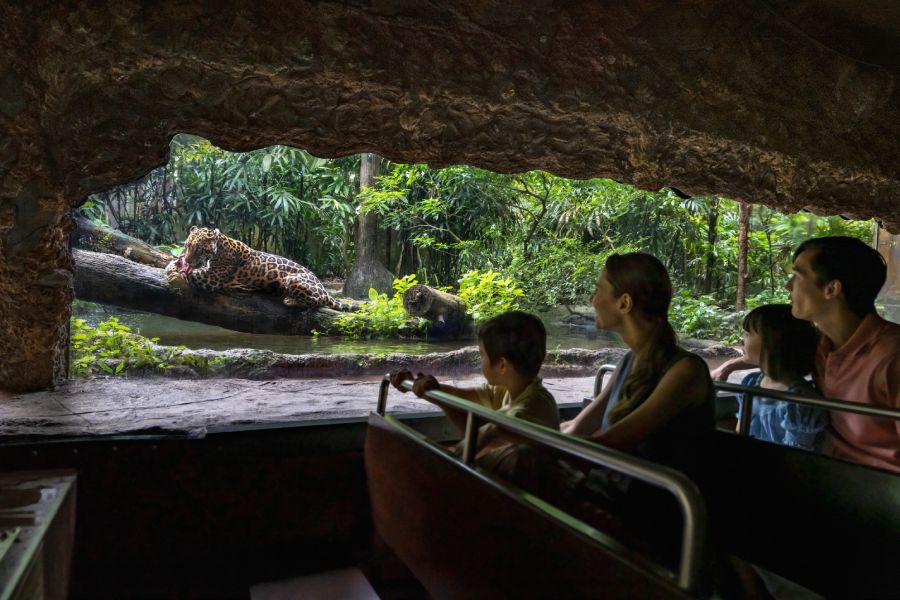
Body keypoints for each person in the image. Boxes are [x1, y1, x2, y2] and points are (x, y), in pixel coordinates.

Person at [714, 236, 900, 472]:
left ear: (831, 289)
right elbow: (773, 350)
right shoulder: (821, 345)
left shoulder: (892, 357)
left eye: (798, 276)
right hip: (828, 473)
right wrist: (731, 365)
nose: (788, 285)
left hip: (878, 489)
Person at [561, 252, 715, 483]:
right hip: (612, 493)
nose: (592, 299)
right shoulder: (629, 361)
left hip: (649, 508)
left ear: (624, 303)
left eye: (598, 290)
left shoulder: (686, 371)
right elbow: (578, 426)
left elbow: (613, 442)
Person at [390, 310, 559, 462]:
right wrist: (417, 385)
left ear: (502, 365)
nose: (481, 361)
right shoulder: (507, 389)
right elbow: (459, 399)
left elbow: (478, 443)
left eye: (482, 355)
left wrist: (486, 433)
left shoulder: (533, 408)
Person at [735, 304, 827, 451]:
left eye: (748, 334)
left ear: (772, 341)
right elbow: (740, 433)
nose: (742, 341)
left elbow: (794, 458)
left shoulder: (799, 401)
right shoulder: (751, 383)